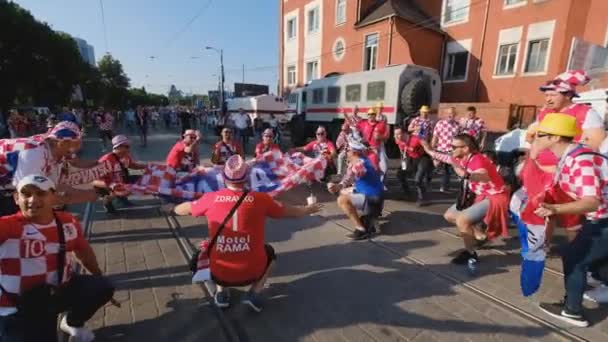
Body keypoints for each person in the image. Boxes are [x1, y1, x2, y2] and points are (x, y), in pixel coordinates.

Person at [172, 155, 322, 311]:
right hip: (252, 272)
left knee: (208, 248)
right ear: (247, 177)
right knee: (270, 253)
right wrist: (306, 210)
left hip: (219, 272)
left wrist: (174, 208)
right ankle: (254, 293)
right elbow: (290, 212)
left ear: (224, 177)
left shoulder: (211, 198)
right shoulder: (261, 199)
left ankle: (221, 292)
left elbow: (184, 209)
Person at [0, 174, 115, 341]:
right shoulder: (8, 226)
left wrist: (97, 274)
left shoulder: (68, 222)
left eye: (41, 194)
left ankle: (72, 322)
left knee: (101, 287)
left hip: (55, 294)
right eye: (26, 194)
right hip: (17, 307)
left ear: (53, 197)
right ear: (17, 198)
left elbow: (84, 253)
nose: (32, 200)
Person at [529, 113, 608, 327]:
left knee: (574, 258)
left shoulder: (580, 160)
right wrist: (535, 158)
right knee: (598, 257)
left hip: (603, 219)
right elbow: (561, 173)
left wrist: (555, 208)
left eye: (540, 134)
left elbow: (591, 201)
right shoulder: (572, 154)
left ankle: (572, 311)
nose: (535, 137)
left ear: (555, 138)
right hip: (602, 218)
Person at [421, 134, 509, 265]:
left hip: (494, 195)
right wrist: (428, 149)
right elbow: (444, 157)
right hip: (478, 194)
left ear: (466, 148)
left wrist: (467, 175)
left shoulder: (477, 160)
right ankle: (480, 236)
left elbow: (483, 175)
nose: (451, 149)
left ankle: (470, 253)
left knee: (462, 219)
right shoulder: (459, 157)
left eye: (454, 147)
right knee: (450, 215)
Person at [0, 121, 100, 216]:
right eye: (73, 145)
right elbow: (34, 197)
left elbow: (55, 185)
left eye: (77, 144)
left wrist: (102, 164)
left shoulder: (57, 148)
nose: (74, 150)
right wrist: (84, 196)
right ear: (59, 143)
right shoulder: (34, 155)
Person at [327, 139, 384, 240]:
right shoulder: (360, 160)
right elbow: (347, 179)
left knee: (342, 200)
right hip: (374, 195)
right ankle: (370, 218)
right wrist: (337, 187)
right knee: (343, 191)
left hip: (372, 199)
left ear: (354, 152)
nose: (345, 151)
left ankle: (361, 229)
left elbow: (358, 171)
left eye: (347, 149)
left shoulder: (360, 163)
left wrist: (356, 172)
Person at [95, 135, 148, 214]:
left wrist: (146, 166)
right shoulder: (106, 160)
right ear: (118, 147)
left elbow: (131, 165)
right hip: (107, 185)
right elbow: (95, 180)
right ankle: (107, 202)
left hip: (121, 179)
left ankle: (122, 198)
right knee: (118, 189)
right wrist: (111, 185)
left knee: (143, 180)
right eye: (126, 146)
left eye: (128, 146)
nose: (129, 148)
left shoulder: (125, 156)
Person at [394, 127, 432, 205]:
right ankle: (407, 193)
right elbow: (402, 153)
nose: (396, 136)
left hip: (423, 158)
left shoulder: (416, 139)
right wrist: (404, 165)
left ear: (405, 134)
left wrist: (435, 158)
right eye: (395, 134)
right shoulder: (398, 141)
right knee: (400, 174)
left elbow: (428, 148)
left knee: (417, 179)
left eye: (398, 134)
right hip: (411, 158)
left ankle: (422, 198)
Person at [432, 106, 461, 192]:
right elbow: (435, 137)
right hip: (441, 149)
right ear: (445, 114)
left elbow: (460, 139)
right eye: (448, 113)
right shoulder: (440, 123)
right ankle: (428, 180)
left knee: (447, 169)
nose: (450, 115)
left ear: (455, 115)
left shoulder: (457, 125)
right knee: (436, 167)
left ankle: (444, 186)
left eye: (452, 113)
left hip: (451, 151)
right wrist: (433, 150)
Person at [356, 108, 388, 178]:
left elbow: (387, 136)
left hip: (378, 148)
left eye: (372, 114)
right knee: (367, 167)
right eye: (369, 114)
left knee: (384, 167)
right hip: (367, 149)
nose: (370, 116)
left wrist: (380, 137)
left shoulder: (381, 124)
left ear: (375, 115)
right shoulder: (363, 123)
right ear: (367, 115)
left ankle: (381, 182)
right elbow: (353, 126)